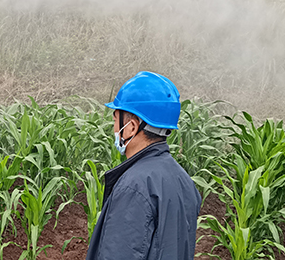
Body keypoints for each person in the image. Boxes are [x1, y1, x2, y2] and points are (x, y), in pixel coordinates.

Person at [85, 71, 201, 260]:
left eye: (115, 120)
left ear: (131, 127)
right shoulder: (183, 179)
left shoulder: (135, 186)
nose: (114, 128)